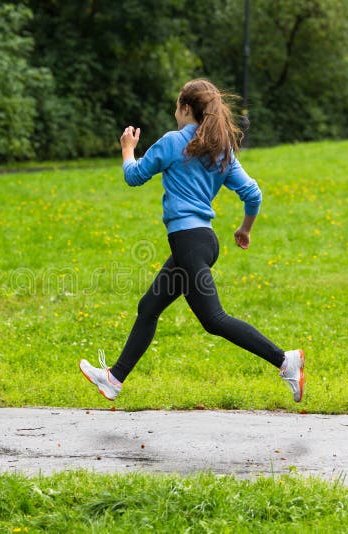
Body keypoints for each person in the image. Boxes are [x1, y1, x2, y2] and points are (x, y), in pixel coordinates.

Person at [79, 78, 305, 403]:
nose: (174, 111)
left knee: (214, 319)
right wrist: (245, 229)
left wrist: (128, 149)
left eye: (176, 106)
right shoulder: (221, 148)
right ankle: (114, 379)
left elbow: (134, 176)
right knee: (149, 307)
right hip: (202, 242)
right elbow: (253, 194)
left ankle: (285, 361)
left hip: (188, 243)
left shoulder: (173, 143)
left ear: (186, 108)